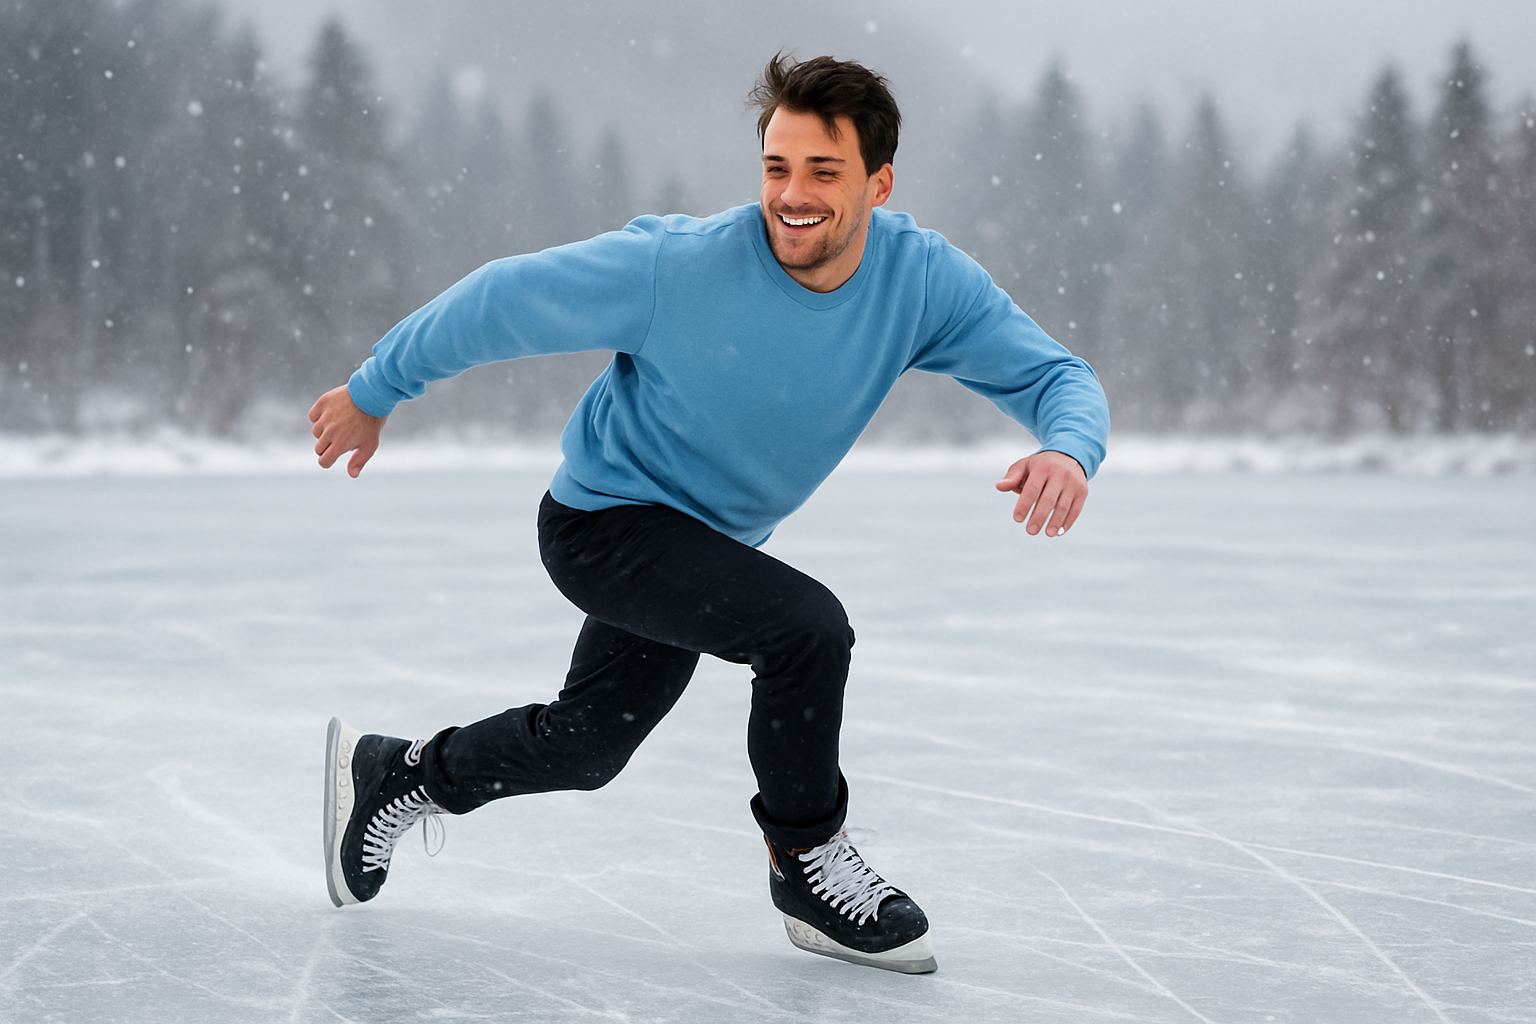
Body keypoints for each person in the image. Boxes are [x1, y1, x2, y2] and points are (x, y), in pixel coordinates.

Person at [311, 53, 1109, 975]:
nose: (793, 196)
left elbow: (1058, 376)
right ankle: (807, 862)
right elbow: (503, 299)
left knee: (588, 747)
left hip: (701, 548)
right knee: (807, 631)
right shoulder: (677, 267)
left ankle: (401, 774)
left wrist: (1066, 447)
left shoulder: (920, 283)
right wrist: (376, 388)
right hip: (604, 526)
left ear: (879, 183)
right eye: (778, 168)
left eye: (823, 171)